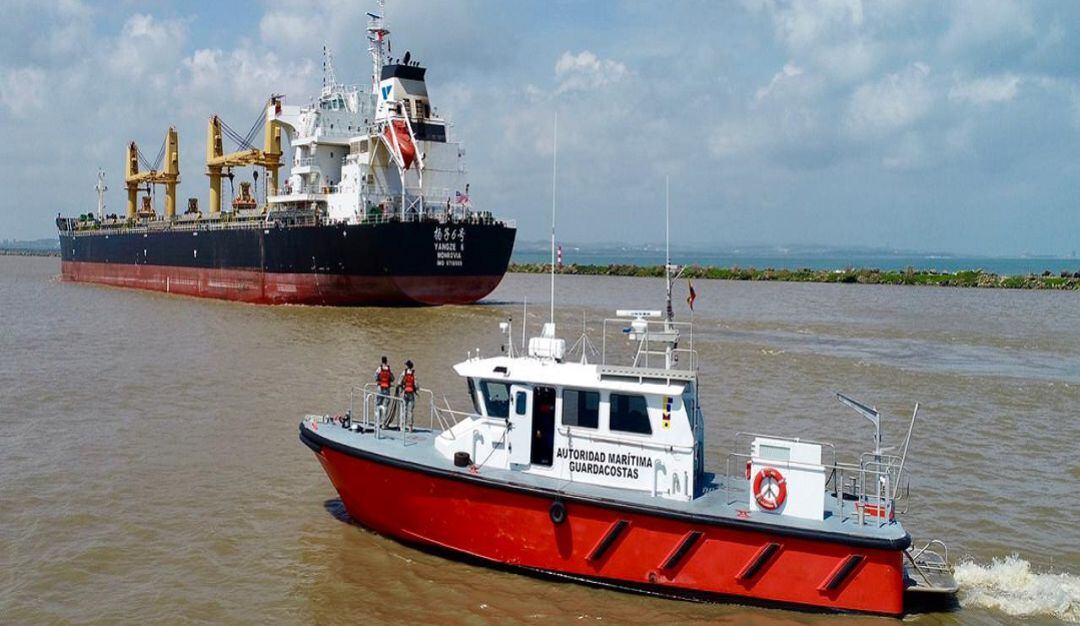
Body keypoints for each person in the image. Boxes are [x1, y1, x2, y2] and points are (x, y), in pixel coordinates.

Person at [374, 356, 394, 425]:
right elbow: (392, 378)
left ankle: (377, 422)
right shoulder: (388, 369)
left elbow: (375, 377)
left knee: (378, 405)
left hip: (380, 388)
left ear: (382, 361)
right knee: (385, 406)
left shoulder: (379, 368)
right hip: (387, 389)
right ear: (386, 361)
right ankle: (383, 423)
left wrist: (379, 380)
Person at [400, 360, 418, 432]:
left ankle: (403, 426)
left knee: (404, 410)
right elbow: (417, 385)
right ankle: (410, 427)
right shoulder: (414, 374)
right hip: (411, 394)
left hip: (405, 393)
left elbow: (399, 382)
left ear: (407, 366)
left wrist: (401, 388)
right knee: (410, 411)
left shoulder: (404, 373)